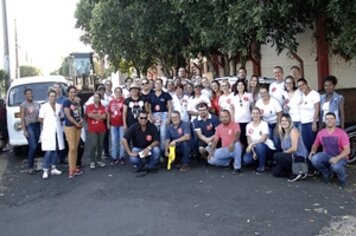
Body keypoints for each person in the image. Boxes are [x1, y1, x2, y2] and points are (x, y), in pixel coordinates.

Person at [309, 112, 350, 189]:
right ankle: (327, 173)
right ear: (324, 121)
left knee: (335, 166)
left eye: (331, 118)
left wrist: (337, 158)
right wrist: (313, 151)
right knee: (314, 159)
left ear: (335, 120)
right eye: (327, 119)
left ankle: (342, 179)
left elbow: (347, 150)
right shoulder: (321, 133)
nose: (329, 120)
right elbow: (315, 144)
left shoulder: (342, 133)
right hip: (327, 155)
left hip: (341, 157)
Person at [272, 113, 308, 179]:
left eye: (286, 121)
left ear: (290, 122)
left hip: (298, 156)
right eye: (282, 121)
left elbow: (294, 148)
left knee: (277, 155)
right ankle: (293, 171)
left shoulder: (293, 130)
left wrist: (283, 154)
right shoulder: (283, 133)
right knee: (276, 173)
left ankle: (298, 171)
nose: (284, 122)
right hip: (290, 156)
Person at [38, 90, 64, 179]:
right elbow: (40, 119)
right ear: (48, 97)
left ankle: (53, 168)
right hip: (48, 131)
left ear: (56, 97)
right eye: (51, 96)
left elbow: (61, 116)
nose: (52, 98)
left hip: (57, 131)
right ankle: (45, 170)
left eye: (54, 96)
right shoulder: (44, 106)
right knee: (48, 151)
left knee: (55, 150)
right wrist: (48, 124)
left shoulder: (59, 106)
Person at [207, 110, 242, 174]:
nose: (224, 118)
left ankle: (237, 167)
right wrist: (211, 152)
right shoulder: (219, 128)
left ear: (230, 117)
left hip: (235, 149)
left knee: (237, 144)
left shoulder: (236, 125)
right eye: (222, 117)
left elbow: (238, 134)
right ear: (220, 118)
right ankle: (229, 162)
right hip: (225, 150)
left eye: (226, 116)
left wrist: (232, 143)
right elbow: (215, 141)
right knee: (210, 160)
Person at [243, 107, 276, 174]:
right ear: (251, 115)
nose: (255, 115)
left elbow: (263, 139)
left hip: (267, 148)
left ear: (260, 115)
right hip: (254, 147)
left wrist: (251, 144)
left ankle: (261, 167)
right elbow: (249, 140)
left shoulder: (264, 124)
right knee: (246, 160)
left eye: (257, 113)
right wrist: (253, 151)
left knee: (259, 146)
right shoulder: (248, 125)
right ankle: (260, 159)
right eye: (253, 113)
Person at [146, 78, 173, 153]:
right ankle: (155, 151)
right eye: (157, 83)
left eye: (159, 83)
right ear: (154, 85)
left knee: (163, 134)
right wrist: (150, 116)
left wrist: (169, 118)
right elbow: (149, 107)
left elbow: (170, 107)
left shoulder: (166, 94)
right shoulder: (151, 95)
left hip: (164, 114)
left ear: (162, 85)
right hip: (154, 115)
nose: (158, 85)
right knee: (155, 133)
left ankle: (163, 151)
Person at [63, 86, 83, 179]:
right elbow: (68, 115)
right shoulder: (66, 102)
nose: (73, 94)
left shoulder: (77, 102)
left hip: (78, 126)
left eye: (74, 92)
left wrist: (80, 121)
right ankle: (71, 169)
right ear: (68, 93)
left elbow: (79, 113)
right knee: (71, 148)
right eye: (71, 92)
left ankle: (74, 167)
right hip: (70, 126)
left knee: (76, 147)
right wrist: (76, 124)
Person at [20, 88, 41, 175]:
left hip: (37, 126)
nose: (29, 95)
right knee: (33, 146)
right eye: (27, 94)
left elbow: (40, 114)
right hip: (29, 126)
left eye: (30, 93)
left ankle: (33, 166)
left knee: (34, 147)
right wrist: (24, 130)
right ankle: (30, 168)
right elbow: (22, 118)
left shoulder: (37, 103)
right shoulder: (23, 105)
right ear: (25, 95)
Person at [297, 78, 320, 153]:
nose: (301, 87)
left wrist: (314, 123)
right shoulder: (302, 96)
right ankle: (310, 162)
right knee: (306, 144)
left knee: (314, 144)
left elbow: (317, 109)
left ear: (306, 84)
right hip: (304, 123)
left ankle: (316, 162)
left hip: (311, 122)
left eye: (302, 85)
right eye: (299, 86)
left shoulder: (314, 94)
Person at [86, 92, 107, 169]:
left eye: (97, 97)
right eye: (94, 97)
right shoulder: (89, 106)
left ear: (100, 98)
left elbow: (104, 116)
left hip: (101, 128)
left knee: (100, 145)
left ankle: (98, 159)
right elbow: (89, 115)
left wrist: (95, 116)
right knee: (94, 144)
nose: (96, 99)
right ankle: (92, 160)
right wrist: (99, 116)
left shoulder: (103, 107)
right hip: (92, 129)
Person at [231, 80, 253, 146]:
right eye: (238, 85)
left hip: (248, 121)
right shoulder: (233, 96)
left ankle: (248, 154)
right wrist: (232, 121)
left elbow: (252, 107)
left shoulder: (249, 95)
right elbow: (232, 109)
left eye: (242, 85)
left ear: (244, 86)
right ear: (236, 87)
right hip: (237, 121)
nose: (240, 86)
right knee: (239, 140)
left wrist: (252, 118)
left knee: (248, 138)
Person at [108, 87, 125, 165]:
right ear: (114, 93)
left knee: (122, 141)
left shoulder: (124, 101)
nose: (118, 93)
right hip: (113, 124)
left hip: (122, 124)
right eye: (116, 92)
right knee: (114, 141)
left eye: (119, 92)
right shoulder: (111, 102)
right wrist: (108, 123)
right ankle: (114, 157)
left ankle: (122, 157)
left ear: (121, 93)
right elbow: (109, 113)